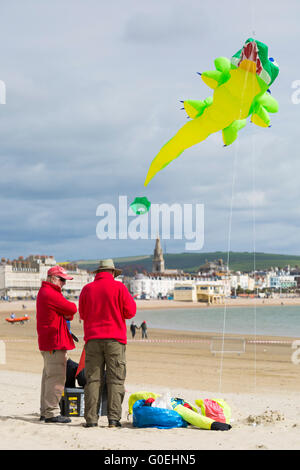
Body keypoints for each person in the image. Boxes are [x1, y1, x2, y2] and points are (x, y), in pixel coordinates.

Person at [79, 259, 136, 428]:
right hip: (115, 339)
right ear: (112, 272)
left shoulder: (87, 289)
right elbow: (130, 312)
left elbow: (82, 313)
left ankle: (91, 420)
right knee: (116, 380)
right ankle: (113, 419)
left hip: (92, 339)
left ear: (98, 273)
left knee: (93, 380)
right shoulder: (119, 288)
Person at [36, 265, 77, 424]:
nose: (64, 284)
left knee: (48, 376)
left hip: (48, 341)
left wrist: (66, 313)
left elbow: (68, 314)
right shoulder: (50, 293)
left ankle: (45, 411)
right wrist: (66, 312)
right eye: (62, 280)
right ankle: (52, 412)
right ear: (53, 278)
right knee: (56, 377)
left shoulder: (45, 292)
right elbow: (71, 308)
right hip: (54, 341)